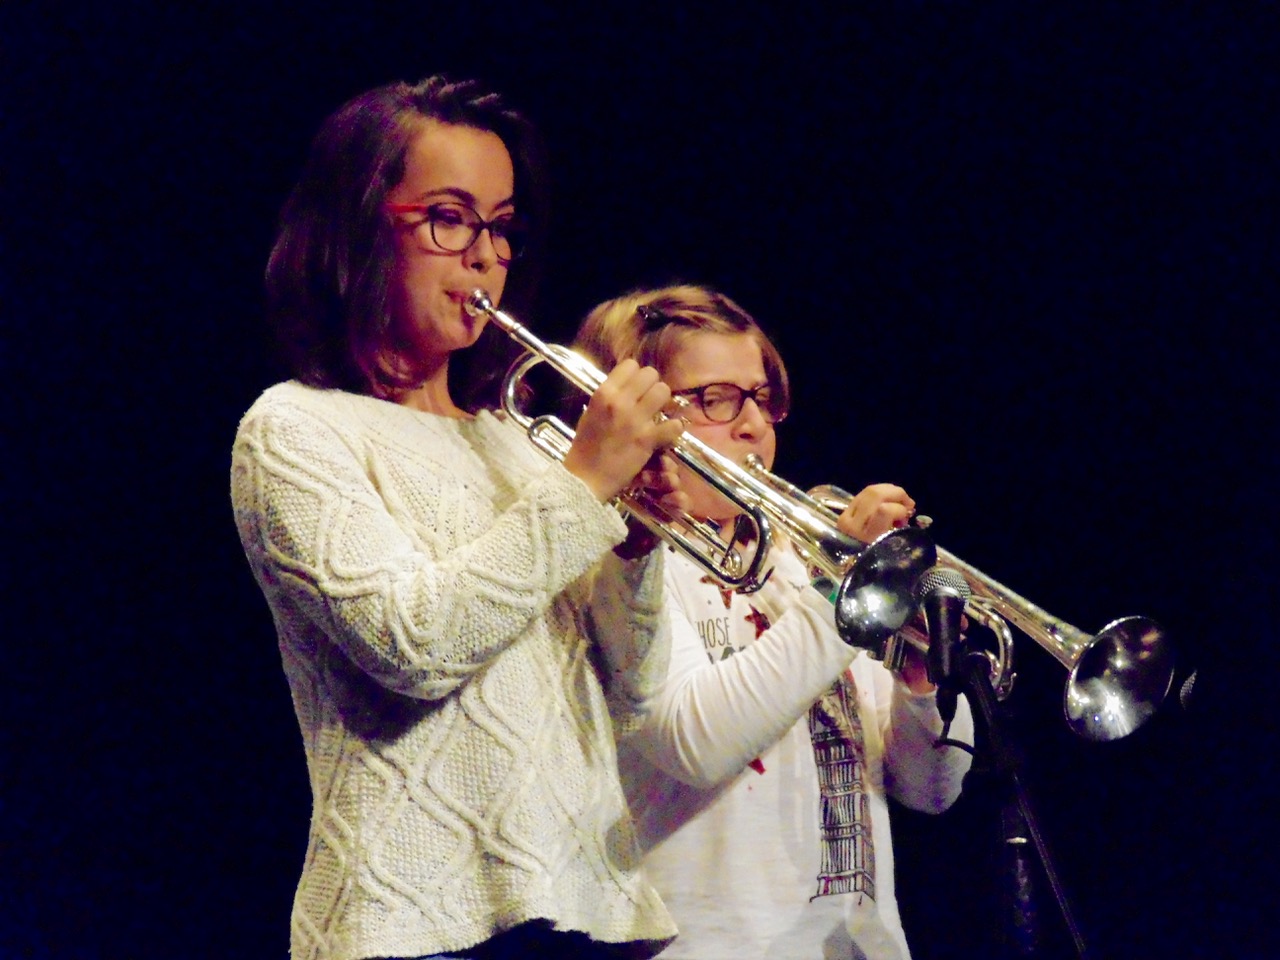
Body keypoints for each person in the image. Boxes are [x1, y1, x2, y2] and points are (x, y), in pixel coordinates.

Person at [230, 77, 685, 960]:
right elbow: (415, 646)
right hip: (413, 925)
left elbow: (631, 697)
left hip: (587, 910)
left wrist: (634, 548)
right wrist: (586, 485)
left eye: (502, 226)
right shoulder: (292, 429)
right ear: (357, 227)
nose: (485, 256)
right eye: (449, 218)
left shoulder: (520, 446)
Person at [574, 285, 975, 960]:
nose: (755, 425)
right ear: (632, 410)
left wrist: (920, 682)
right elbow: (694, 742)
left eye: (762, 398)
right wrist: (844, 594)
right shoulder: (619, 562)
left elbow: (931, 790)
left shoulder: (799, 561)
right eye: (717, 398)